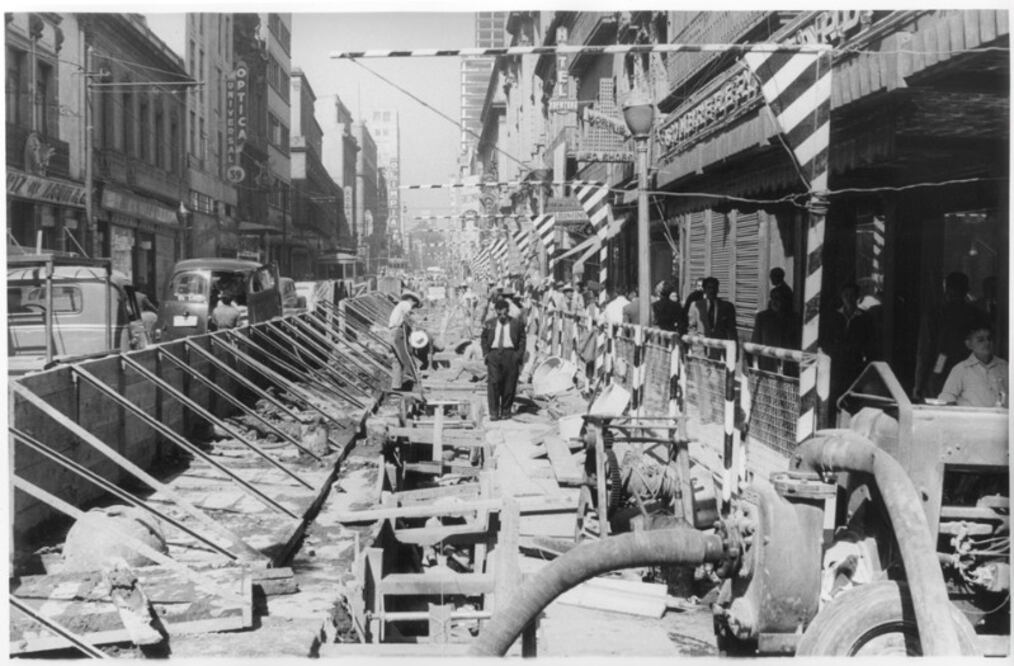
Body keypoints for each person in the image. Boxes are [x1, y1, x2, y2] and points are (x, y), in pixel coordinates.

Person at [914, 272, 984, 400]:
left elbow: (925, 351)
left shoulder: (936, 313)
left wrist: (919, 385)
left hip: (941, 362)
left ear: (946, 289)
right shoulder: (977, 314)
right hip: (969, 365)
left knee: (939, 400)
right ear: (966, 290)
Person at [826, 282, 878, 407]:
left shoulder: (865, 318)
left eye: (852, 295)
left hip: (855, 363)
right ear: (842, 297)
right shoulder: (834, 316)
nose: (849, 298)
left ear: (857, 297)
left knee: (853, 393)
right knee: (835, 392)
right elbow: (826, 338)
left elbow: (870, 340)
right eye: (846, 295)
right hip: (836, 362)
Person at [937, 323, 1007, 407]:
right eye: (981, 340)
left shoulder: (1005, 366)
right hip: (972, 415)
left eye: (989, 339)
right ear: (969, 344)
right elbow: (946, 399)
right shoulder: (961, 369)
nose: (987, 342)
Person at [481, 299, 526, 421]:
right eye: (499, 314)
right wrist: (486, 354)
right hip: (494, 355)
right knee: (494, 383)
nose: (502, 316)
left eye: (505, 314)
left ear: (508, 311)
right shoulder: (490, 323)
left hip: (510, 355)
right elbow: (483, 338)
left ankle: (506, 411)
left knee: (509, 384)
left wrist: (518, 355)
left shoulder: (516, 323)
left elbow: (522, 340)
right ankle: (494, 412)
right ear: (496, 312)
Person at [751, 288, 799, 371]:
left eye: (778, 299)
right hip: (768, 365)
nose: (774, 302)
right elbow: (755, 342)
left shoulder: (794, 319)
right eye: (772, 298)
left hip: (788, 365)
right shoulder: (762, 317)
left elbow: (797, 343)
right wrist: (754, 365)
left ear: (786, 301)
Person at [388, 290, 422, 390]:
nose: (414, 307)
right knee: (406, 357)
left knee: (397, 360)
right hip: (398, 332)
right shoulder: (406, 304)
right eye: (415, 305)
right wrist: (417, 324)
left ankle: (396, 385)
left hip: (392, 332)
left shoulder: (399, 306)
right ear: (413, 301)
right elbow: (409, 317)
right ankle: (417, 382)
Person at [687, 277, 738, 341]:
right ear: (704, 290)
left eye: (714, 288)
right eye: (709, 288)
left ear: (718, 289)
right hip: (701, 344)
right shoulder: (695, 305)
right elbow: (692, 328)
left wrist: (734, 345)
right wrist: (693, 342)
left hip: (719, 344)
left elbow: (732, 330)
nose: (712, 290)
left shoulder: (727, 307)